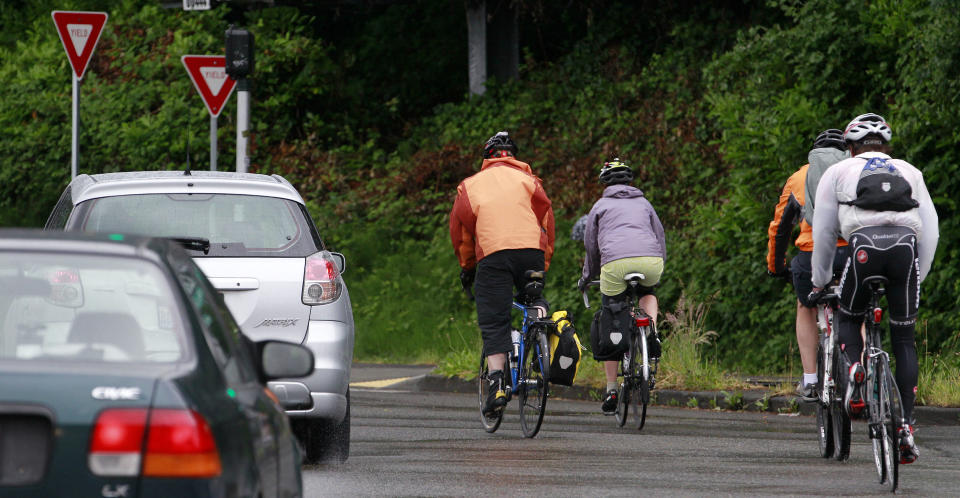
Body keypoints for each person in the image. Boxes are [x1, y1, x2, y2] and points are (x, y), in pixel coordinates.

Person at [810, 113, 939, 464]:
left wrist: (819, 281)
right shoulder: (909, 171)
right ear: (887, 145)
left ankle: (854, 370)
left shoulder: (837, 172)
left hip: (864, 250)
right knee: (904, 338)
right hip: (905, 252)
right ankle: (906, 430)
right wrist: (918, 275)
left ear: (849, 147)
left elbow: (822, 232)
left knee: (849, 318)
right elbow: (931, 230)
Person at [450, 131, 556, 417]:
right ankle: (540, 342)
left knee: (494, 319)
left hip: (494, 256)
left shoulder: (469, 186)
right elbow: (547, 224)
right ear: (514, 157)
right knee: (533, 299)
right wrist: (542, 263)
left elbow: (462, 235)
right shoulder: (531, 182)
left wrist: (468, 266)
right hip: (531, 252)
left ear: (487, 159)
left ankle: (497, 383)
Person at [765, 129, 849, 401]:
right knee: (856, 306)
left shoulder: (800, 177)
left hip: (811, 256)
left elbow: (780, 229)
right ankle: (861, 371)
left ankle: (811, 379)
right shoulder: (854, 170)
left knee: (805, 304)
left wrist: (776, 266)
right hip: (851, 252)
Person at [578, 159, 666, 415]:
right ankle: (651, 331)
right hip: (651, 261)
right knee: (648, 293)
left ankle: (611, 388)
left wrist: (587, 277)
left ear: (605, 184)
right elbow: (659, 237)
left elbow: (592, 249)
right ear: (629, 182)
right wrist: (658, 267)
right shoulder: (644, 203)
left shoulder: (600, 206)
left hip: (615, 264)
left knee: (612, 316)